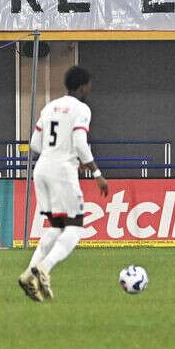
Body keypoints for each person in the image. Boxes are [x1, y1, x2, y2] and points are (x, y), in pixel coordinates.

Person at [14, 66, 107, 302]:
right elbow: (79, 140)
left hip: (42, 169)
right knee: (75, 228)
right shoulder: (81, 109)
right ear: (83, 86)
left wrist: (57, 154)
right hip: (61, 171)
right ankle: (44, 267)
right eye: (89, 85)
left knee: (56, 226)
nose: (90, 89)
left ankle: (28, 275)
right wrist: (96, 172)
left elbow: (35, 143)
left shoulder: (50, 107)